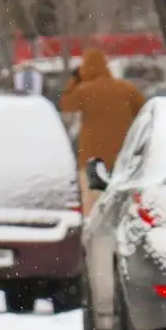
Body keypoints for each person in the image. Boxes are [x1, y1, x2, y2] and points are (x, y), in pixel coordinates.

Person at [59, 48, 147, 215]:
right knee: (122, 202)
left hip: (92, 158)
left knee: (94, 204)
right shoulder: (126, 88)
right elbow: (144, 110)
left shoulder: (83, 91)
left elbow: (65, 104)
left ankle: (94, 234)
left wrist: (74, 79)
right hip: (122, 157)